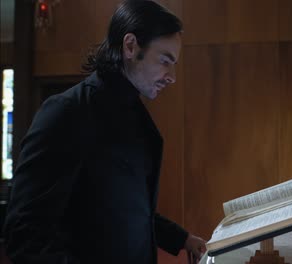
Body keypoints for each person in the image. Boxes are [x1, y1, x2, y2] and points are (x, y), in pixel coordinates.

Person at [3, 0, 206, 263]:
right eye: (165, 61)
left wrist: (181, 239)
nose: (172, 76)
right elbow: (24, 233)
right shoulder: (66, 113)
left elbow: (123, 209)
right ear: (130, 46)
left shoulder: (136, 116)